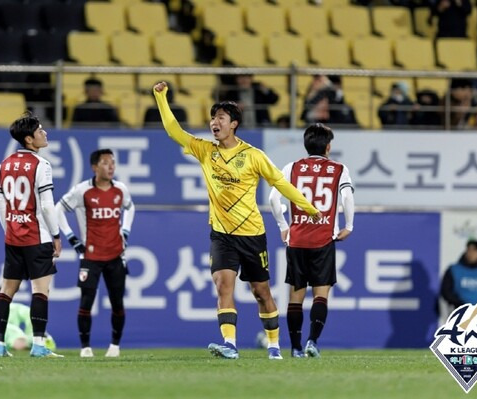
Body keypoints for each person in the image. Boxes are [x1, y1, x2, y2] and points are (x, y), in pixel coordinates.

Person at [152, 81, 322, 360]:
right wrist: (161, 97)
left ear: (233, 124)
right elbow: (174, 130)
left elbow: (280, 183)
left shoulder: (253, 156)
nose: (213, 122)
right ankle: (230, 344)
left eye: (220, 118)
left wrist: (309, 209)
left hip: (252, 233)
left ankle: (274, 346)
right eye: (212, 117)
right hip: (221, 234)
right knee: (223, 285)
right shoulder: (205, 151)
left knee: (261, 292)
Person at [269, 123, 355, 358]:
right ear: (328, 147)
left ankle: (295, 347)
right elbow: (346, 196)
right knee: (320, 294)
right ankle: (312, 342)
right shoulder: (339, 169)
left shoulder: (292, 168)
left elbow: (273, 198)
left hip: (297, 240)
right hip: (323, 239)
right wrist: (349, 225)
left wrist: (283, 226)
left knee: (295, 296)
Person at [0, 112, 63, 358]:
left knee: (6, 291)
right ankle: (38, 345)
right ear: (29, 139)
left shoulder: (4, 164)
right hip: (37, 237)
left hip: (13, 236)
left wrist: (11, 229)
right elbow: (46, 205)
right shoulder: (41, 165)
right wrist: (56, 235)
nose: (45, 133)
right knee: (40, 291)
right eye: (40, 130)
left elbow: (0, 206)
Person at [55, 149, 135, 358]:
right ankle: (85, 348)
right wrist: (72, 238)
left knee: (117, 302)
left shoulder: (120, 189)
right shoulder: (82, 191)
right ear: (94, 167)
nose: (111, 167)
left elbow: (130, 207)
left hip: (116, 255)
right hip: (90, 257)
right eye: (106, 162)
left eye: (113, 163)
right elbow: (58, 210)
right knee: (86, 302)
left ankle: (115, 346)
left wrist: (125, 231)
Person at [0, 287, 56, 352]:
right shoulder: (12, 306)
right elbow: (30, 315)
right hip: (13, 331)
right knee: (16, 336)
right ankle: (40, 339)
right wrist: (31, 333)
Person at [440, 239, 477, 331]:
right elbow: (446, 291)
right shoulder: (454, 270)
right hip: (461, 312)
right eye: (469, 250)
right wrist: (459, 303)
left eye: (475, 250)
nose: (471, 253)